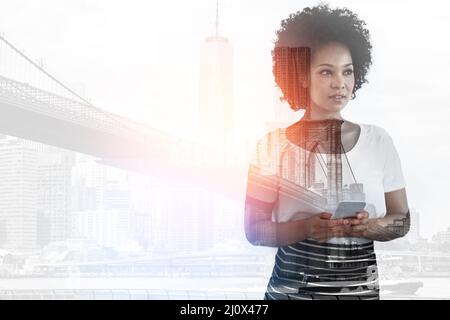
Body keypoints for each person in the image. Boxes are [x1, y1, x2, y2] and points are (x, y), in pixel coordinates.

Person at [244, 4, 410, 300]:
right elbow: (254, 231)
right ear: (302, 77)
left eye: (348, 71)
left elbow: (402, 219)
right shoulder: (271, 146)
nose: (340, 83)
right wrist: (305, 228)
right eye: (326, 72)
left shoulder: (379, 141)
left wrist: (368, 227)